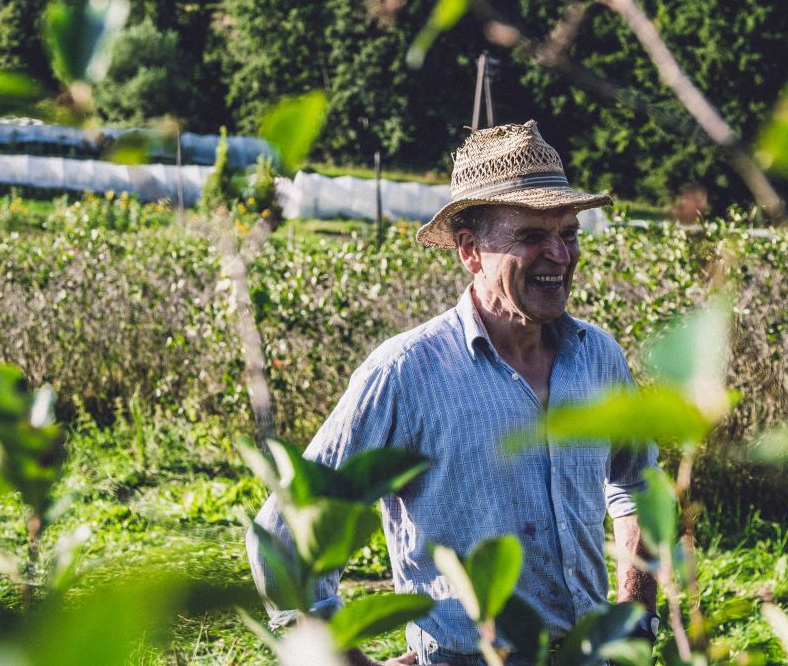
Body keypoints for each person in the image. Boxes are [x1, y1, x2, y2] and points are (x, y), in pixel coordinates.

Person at [247, 121, 659, 666]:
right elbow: (284, 538)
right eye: (532, 236)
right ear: (470, 250)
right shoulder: (407, 374)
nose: (560, 255)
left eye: (569, 232)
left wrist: (636, 619)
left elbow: (636, 484)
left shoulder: (598, 357)